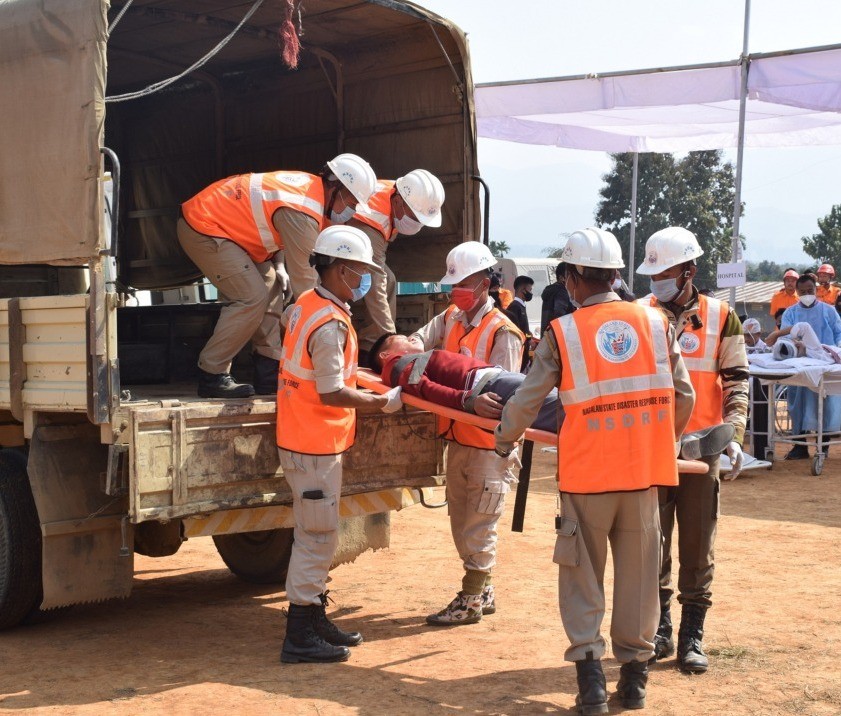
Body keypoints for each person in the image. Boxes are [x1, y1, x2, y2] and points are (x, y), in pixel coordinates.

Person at [494, 227, 695, 713]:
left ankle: (591, 686)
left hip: (587, 480)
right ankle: (634, 682)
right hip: (645, 477)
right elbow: (683, 397)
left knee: (582, 576)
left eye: (567, 277)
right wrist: (657, 441)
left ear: (575, 279)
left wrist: (504, 439)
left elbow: (526, 398)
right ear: (615, 276)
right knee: (641, 579)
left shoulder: (563, 333)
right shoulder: (654, 323)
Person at [277, 225, 403, 664]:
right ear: (340, 270)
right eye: (360, 271)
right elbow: (331, 391)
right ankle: (299, 635)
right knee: (316, 537)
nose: (365, 279)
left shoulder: (305, 306)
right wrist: (380, 403)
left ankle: (313, 619)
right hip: (313, 443)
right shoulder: (329, 324)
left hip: (307, 439)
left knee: (317, 535)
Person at [637, 226, 749, 675]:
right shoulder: (637, 314)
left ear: (689, 271)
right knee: (651, 545)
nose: (657, 280)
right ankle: (661, 629)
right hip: (651, 449)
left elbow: (738, 381)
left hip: (702, 452)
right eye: (653, 272)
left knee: (698, 547)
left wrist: (735, 434)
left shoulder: (723, 317)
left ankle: (691, 636)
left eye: (665, 271)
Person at [178, 154, 377, 398]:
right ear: (335, 186)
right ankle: (212, 374)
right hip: (205, 226)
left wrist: (279, 267)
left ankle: (268, 370)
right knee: (251, 297)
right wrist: (328, 328)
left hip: (235, 235)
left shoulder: (311, 194)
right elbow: (307, 283)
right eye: (352, 202)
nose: (352, 210)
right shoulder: (303, 208)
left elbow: (275, 228)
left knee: (271, 290)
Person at [369, 332, 731, 460]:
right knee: (575, 410)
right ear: (387, 353)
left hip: (494, 383)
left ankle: (669, 444)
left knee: (581, 417)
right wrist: (468, 402)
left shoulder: (407, 357)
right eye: (400, 337)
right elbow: (426, 391)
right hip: (489, 389)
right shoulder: (399, 364)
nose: (411, 337)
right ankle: (676, 445)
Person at [408, 241, 524, 626]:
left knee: (480, 524)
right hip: (459, 439)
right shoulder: (450, 319)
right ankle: (483, 589)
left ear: (484, 283)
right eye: (454, 283)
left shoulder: (503, 332)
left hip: (490, 448)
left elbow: (503, 396)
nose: (456, 291)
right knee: (462, 522)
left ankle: (472, 597)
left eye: (464, 282)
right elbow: (416, 344)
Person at [349, 170, 446, 352]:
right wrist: (393, 340)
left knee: (390, 280)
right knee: (381, 282)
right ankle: (380, 342)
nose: (418, 224)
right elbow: (375, 283)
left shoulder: (397, 193)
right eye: (415, 217)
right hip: (327, 249)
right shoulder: (373, 218)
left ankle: (371, 343)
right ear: (399, 202)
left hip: (350, 247)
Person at [775, 273, 841, 459]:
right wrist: (797, 346)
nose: (806, 294)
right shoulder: (791, 313)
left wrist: (835, 351)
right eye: (802, 291)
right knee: (799, 404)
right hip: (801, 365)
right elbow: (786, 337)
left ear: (816, 289)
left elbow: (839, 333)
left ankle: (824, 445)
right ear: (797, 291)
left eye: (810, 291)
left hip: (825, 364)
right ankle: (800, 446)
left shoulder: (829, 311)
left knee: (827, 405)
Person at [506, 275, 535, 371]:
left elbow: (523, 327)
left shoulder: (521, 306)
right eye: (530, 290)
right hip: (519, 350)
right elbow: (516, 329)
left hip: (524, 349)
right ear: (523, 290)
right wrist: (529, 338)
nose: (531, 293)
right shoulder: (515, 307)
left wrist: (528, 332)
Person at [540, 261, 576, 335]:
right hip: (559, 338)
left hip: (548, 337)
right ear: (562, 278)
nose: (574, 279)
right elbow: (561, 317)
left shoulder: (551, 291)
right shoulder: (562, 292)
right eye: (571, 275)